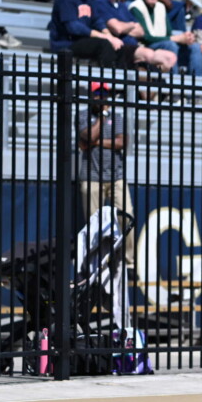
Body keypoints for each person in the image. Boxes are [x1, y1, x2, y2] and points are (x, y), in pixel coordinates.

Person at [76, 83, 135, 274]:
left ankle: (128, 260)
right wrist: (102, 118)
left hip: (116, 175)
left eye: (105, 94)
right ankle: (98, 261)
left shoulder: (117, 117)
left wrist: (96, 142)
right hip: (91, 176)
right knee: (95, 222)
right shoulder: (84, 115)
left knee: (127, 216)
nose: (102, 98)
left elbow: (122, 142)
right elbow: (88, 135)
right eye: (98, 94)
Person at [90, 0, 175, 73]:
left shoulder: (122, 5)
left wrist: (124, 26)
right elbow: (117, 29)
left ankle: (163, 86)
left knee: (170, 58)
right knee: (156, 57)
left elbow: (140, 31)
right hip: (120, 47)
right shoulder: (100, 3)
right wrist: (131, 25)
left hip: (135, 46)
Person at [49, 0, 129, 66]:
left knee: (119, 45)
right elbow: (73, 27)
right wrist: (104, 37)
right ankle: (104, 79)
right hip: (65, 43)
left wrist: (110, 36)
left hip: (83, 41)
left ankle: (117, 80)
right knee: (103, 45)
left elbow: (97, 20)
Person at [130, 0, 202, 76]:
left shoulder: (161, 7)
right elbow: (146, 37)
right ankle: (174, 83)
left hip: (163, 42)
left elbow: (168, 32)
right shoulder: (135, 7)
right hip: (147, 46)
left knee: (194, 46)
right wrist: (176, 38)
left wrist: (185, 38)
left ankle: (196, 84)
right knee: (170, 44)